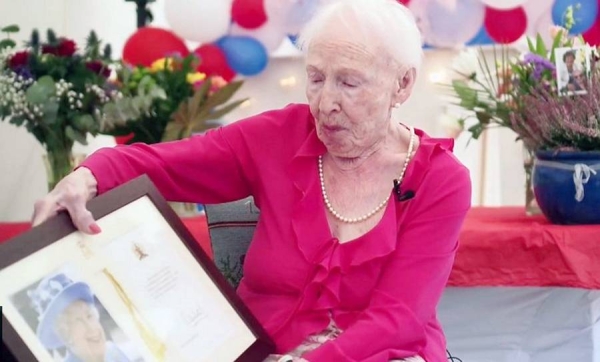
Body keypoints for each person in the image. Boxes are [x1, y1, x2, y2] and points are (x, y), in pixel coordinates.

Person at [31, 0, 471, 361]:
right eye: (316, 78)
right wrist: (88, 175)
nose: (326, 103)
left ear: (403, 85)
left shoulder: (440, 179)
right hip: (264, 351)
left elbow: (400, 318)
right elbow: (163, 165)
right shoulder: (276, 138)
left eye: (350, 83)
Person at [27, 273, 131, 362]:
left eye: (89, 315)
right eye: (78, 321)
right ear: (65, 336)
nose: (91, 327)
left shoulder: (113, 352)